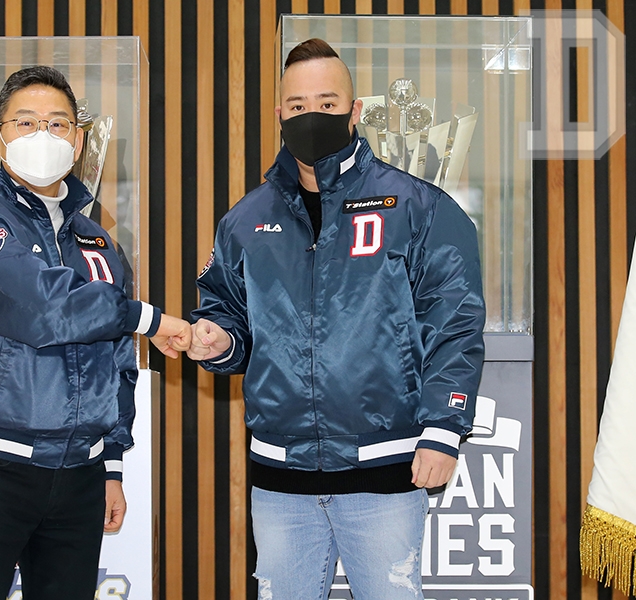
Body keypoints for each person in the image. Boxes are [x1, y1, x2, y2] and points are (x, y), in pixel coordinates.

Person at [189, 39, 486, 600]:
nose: (311, 117)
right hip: (280, 480)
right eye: (297, 106)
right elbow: (227, 316)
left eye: (327, 104)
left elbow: (455, 322)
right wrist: (218, 340)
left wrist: (445, 429)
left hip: (384, 468)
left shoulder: (417, 207)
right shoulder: (245, 220)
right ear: (279, 113)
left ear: (354, 112)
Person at [0, 65, 191, 600]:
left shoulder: (99, 242)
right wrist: (151, 319)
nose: (43, 135)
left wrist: (112, 461)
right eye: (25, 123)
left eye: (58, 123)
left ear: (79, 140)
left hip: (80, 476)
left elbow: (119, 362)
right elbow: (44, 310)